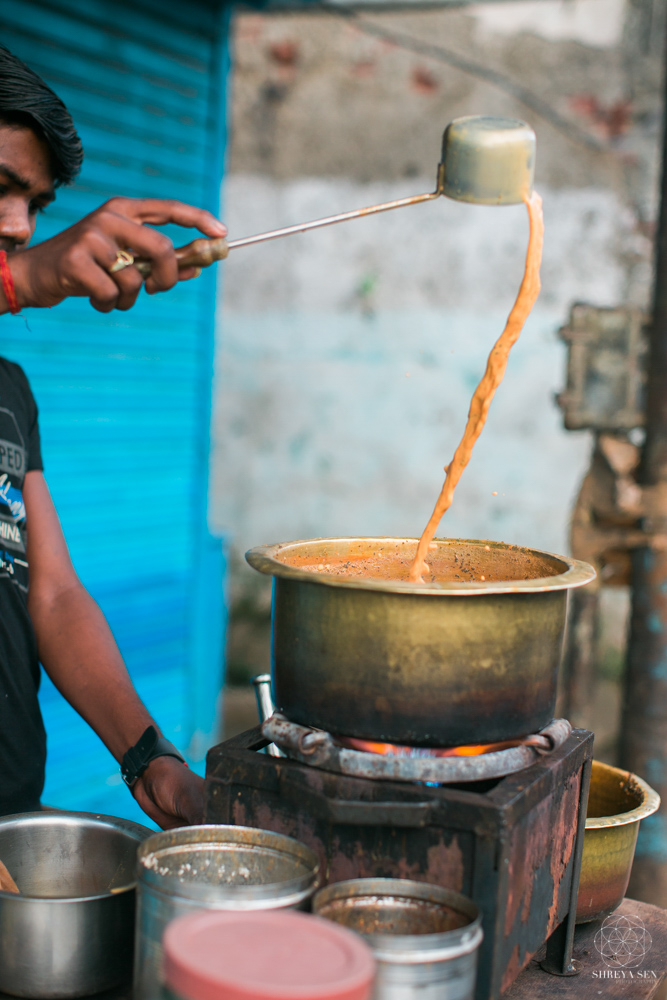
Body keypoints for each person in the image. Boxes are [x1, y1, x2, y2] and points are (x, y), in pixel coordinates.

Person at [0, 45, 226, 825]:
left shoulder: (10, 393)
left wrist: (148, 758)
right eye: (0, 189)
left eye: (35, 204)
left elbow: (54, 595)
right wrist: (20, 282)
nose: (20, 226)